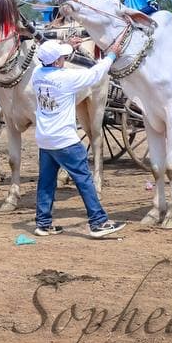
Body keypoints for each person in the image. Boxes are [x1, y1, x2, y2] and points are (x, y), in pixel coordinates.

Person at [31, 41, 126, 238]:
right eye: (62, 57)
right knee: (84, 179)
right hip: (65, 139)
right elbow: (95, 74)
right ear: (56, 62)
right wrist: (111, 56)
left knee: (46, 182)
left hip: (45, 138)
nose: (64, 60)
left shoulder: (37, 74)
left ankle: (43, 223)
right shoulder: (66, 77)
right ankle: (98, 222)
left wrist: (69, 46)